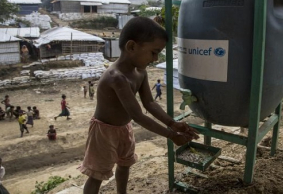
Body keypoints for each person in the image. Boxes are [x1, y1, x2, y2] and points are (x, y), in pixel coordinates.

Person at [79, 17, 199, 194]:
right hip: (104, 133)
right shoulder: (116, 77)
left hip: (124, 128)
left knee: (125, 164)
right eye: (153, 52)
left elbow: (150, 103)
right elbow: (138, 115)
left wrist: (173, 123)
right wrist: (171, 135)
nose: (156, 58)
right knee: (97, 175)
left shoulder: (140, 72)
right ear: (132, 47)